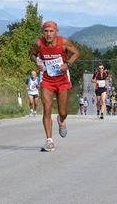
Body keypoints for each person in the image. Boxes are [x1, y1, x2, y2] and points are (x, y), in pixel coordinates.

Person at [31, 20, 80, 152]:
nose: (48, 34)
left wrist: (68, 64)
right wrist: (37, 62)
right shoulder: (39, 43)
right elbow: (32, 54)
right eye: (46, 31)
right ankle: (49, 140)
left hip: (62, 80)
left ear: (56, 32)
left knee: (63, 112)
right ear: (43, 32)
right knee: (47, 108)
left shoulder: (63, 42)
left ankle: (61, 120)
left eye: (51, 31)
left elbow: (76, 53)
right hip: (47, 79)